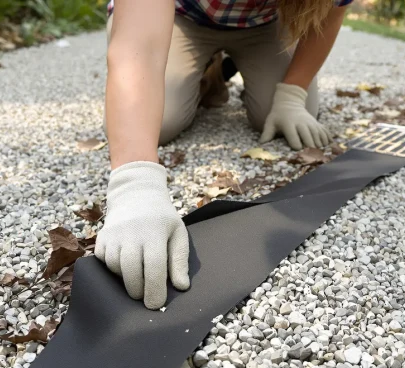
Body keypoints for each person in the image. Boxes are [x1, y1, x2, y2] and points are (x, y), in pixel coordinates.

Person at [96, 0, 351, 310]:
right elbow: (139, 48)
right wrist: (134, 183)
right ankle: (206, 68)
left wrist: (293, 94)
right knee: (160, 122)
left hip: (265, 23)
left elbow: (331, 9)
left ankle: (223, 66)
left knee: (273, 115)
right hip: (180, 17)